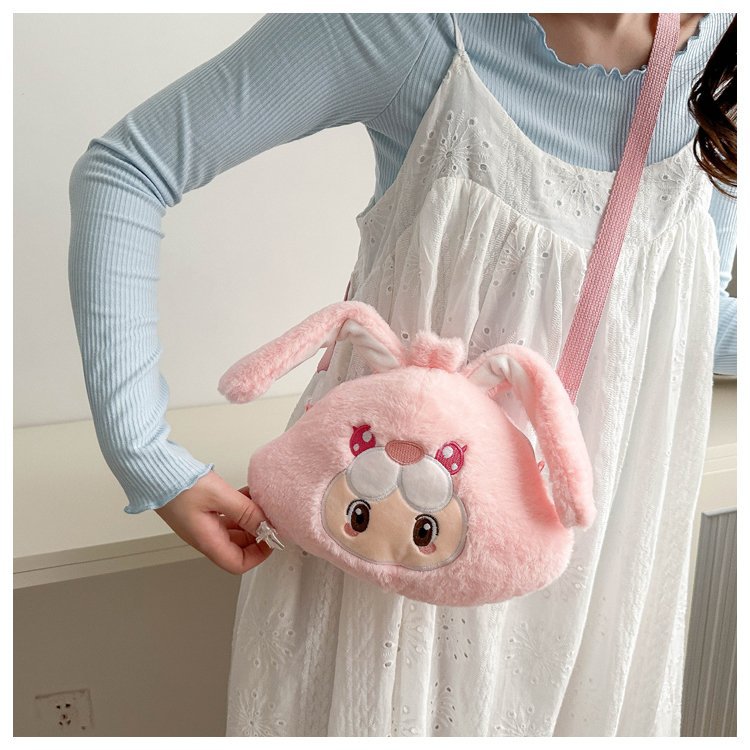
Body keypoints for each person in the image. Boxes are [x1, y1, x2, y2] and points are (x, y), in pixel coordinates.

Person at [68, 13, 737, 737]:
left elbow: (681, 311)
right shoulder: (408, 27)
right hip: (386, 577)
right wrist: (145, 456)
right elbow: (127, 169)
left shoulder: (729, 51)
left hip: (600, 574)